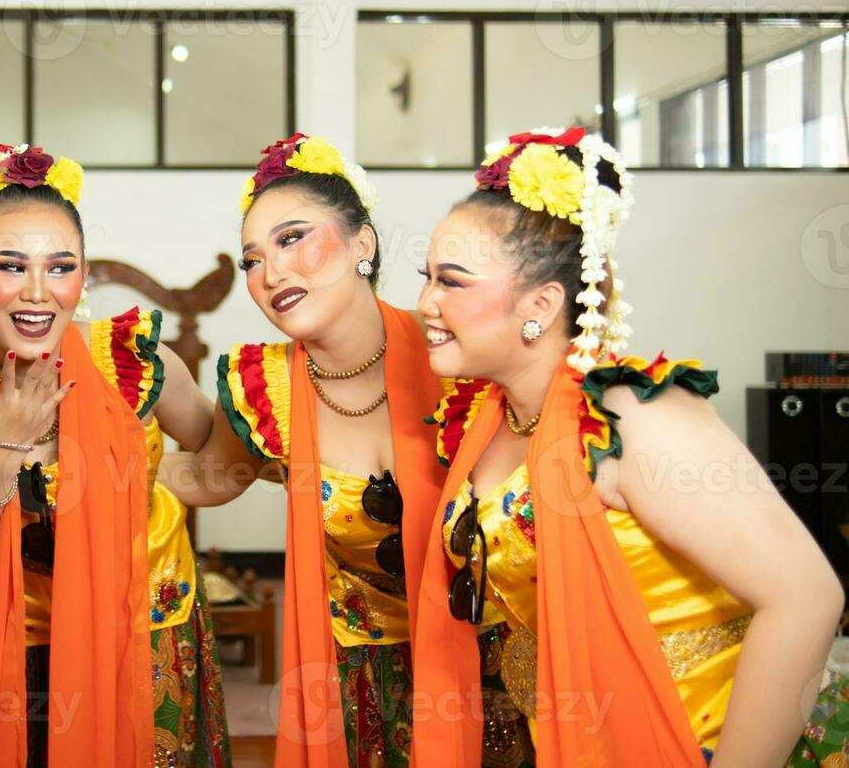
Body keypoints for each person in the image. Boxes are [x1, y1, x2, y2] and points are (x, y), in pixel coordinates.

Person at [411, 127, 849, 766]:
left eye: (451, 282)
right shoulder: (487, 417)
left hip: (700, 738)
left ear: (541, 303)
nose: (425, 302)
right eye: (425, 277)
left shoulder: (633, 416)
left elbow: (808, 597)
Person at [159, 133, 533, 767]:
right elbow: (206, 476)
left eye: (291, 239)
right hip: (365, 686)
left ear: (364, 243)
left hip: (498, 666)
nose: (270, 273)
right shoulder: (267, 389)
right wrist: (89, 455)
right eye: (251, 260)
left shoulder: (463, 354)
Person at [0, 143, 230, 767]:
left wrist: (152, 480)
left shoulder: (136, 364)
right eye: (10, 266)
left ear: (83, 274)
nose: (38, 293)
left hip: (138, 632)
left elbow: (223, 455)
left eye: (61, 267)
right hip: (4, 636)